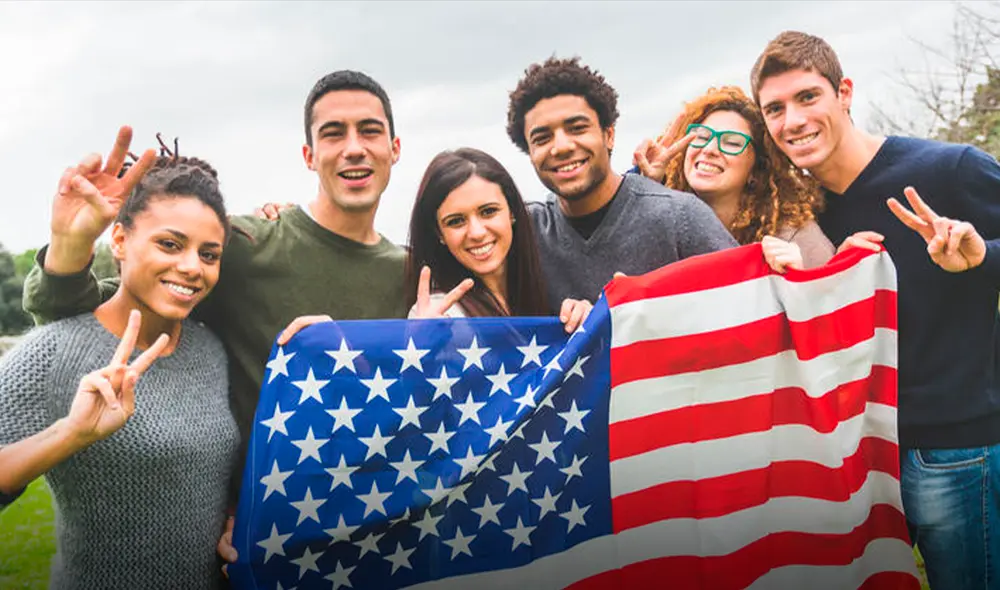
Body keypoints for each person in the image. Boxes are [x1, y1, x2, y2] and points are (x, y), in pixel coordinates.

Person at [20, 70, 409, 570]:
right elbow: (88, 320)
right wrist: (71, 245)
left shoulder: (413, 274)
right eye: (334, 133)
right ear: (309, 155)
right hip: (244, 548)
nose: (354, 148)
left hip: (373, 541)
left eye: (370, 131)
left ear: (394, 148)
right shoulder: (242, 246)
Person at [752, 30, 1000, 589]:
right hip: (855, 461)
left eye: (807, 97)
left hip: (955, 451)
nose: (793, 120)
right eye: (775, 109)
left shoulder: (950, 170)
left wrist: (981, 257)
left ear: (844, 92)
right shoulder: (798, 215)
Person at [0, 132, 239, 590]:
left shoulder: (210, 350)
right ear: (121, 240)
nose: (193, 267)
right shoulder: (56, 349)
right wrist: (69, 435)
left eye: (209, 254)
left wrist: (232, 522)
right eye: (170, 244)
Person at [505, 57, 739, 310]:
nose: (561, 147)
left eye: (577, 128)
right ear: (530, 153)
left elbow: (747, 301)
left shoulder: (679, 218)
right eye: (542, 139)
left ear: (609, 135)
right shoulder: (524, 234)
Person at [632, 85, 834, 270]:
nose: (709, 149)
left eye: (732, 143)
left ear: (757, 168)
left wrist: (802, 276)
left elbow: (833, 293)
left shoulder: (794, 238)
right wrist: (647, 185)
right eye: (701, 136)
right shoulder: (665, 221)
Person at [404, 147, 591, 330]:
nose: (477, 233)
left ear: (512, 211)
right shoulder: (439, 316)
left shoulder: (543, 285)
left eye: (488, 211)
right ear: (439, 233)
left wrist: (588, 322)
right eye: (456, 221)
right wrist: (421, 344)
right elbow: (425, 337)